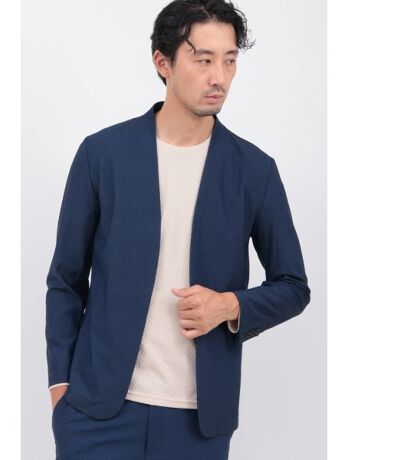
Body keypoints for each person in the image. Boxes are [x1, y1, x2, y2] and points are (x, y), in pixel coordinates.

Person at [45, 1, 311, 458]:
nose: (219, 77)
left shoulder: (254, 171)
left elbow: (294, 286)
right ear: (162, 62)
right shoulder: (102, 155)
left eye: (229, 61)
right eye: (203, 60)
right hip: (97, 415)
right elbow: (66, 281)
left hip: (198, 424)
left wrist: (230, 306)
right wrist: (60, 388)